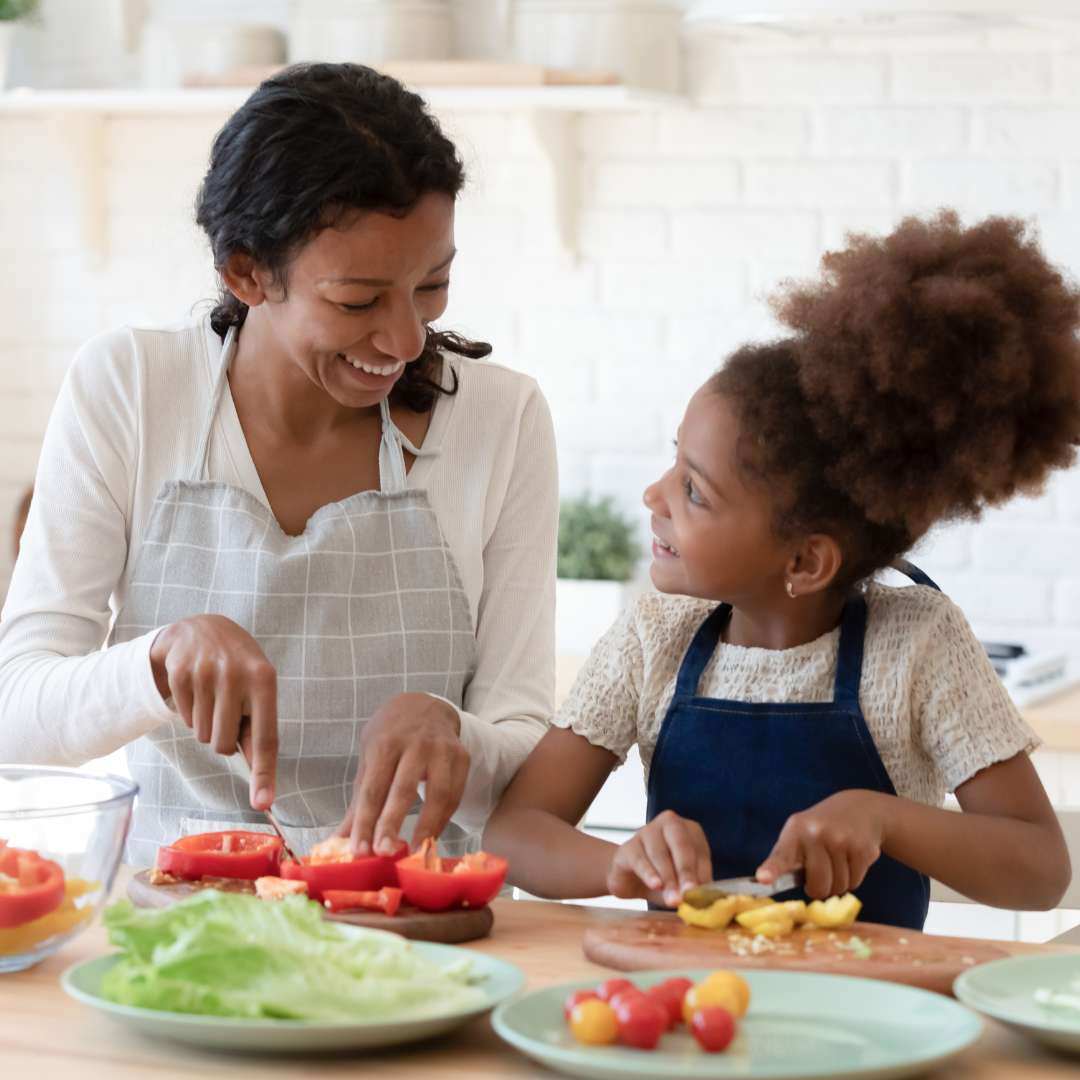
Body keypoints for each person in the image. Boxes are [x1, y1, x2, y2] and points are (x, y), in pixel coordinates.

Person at [0, 64, 558, 867]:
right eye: (359, 302)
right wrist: (155, 662)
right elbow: (19, 716)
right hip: (183, 929)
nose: (405, 341)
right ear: (246, 272)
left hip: (419, 936)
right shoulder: (129, 388)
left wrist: (457, 732)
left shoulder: (502, 420)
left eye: (432, 285)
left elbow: (526, 748)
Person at [484, 212, 1078, 929]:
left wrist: (883, 819)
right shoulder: (653, 638)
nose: (654, 497)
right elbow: (514, 833)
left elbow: (1040, 871)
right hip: (689, 1012)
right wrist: (614, 864)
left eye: (694, 491)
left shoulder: (917, 643)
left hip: (865, 1020)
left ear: (804, 560)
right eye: (675, 463)